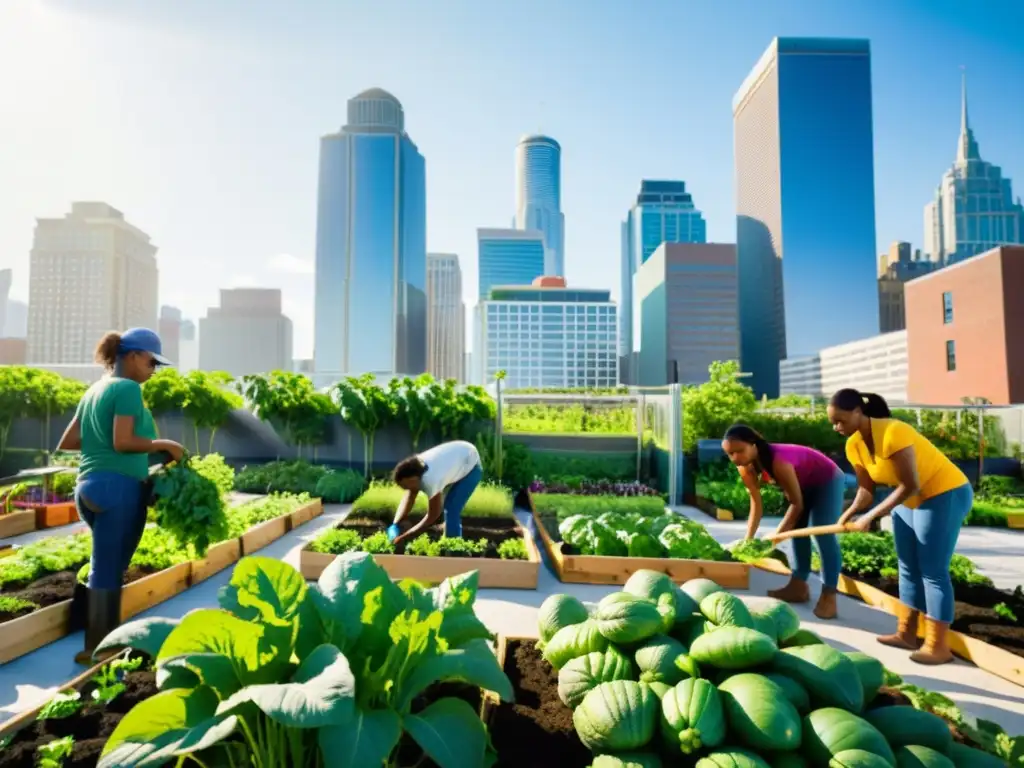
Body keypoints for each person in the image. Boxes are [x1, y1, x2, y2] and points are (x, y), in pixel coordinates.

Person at [56, 328, 185, 664]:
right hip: (118, 489)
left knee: (105, 565)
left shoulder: (95, 390)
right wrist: (164, 445)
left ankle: (98, 642)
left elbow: (69, 442)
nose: (153, 369)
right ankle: (99, 650)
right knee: (108, 569)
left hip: (88, 487)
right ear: (130, 356)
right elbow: (123, 442)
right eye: (151, 360)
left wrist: (119, 452)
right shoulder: (127, 388)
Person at [828, 388, 972, 665]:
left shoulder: (894, 432)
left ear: (858, 412)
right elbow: (866, 491)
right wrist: (848, 514)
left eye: (841, 420)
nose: (837, 427)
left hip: (943, 492)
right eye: (833, 422)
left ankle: (937, 645)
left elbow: (911, 484)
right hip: (908, 498)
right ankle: (906, 633)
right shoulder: (853, 445)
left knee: (932, 570)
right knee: (907, 566)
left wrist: (871, 517)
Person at [722, 424, 844, 619]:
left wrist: (775, 538)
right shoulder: (745, 468)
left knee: (821, 533)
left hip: (827, 480)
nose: (736, 458)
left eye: (739, 451)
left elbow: (796, 504)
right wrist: (749, 538)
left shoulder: (779, 461)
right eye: (730, 454)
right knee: (795, 528)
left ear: (754, 445)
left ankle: (829, 596)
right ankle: (798, 586)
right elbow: (756, 505)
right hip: (803, 482)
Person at [388, 439, 483, 551]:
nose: (404, 489)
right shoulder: (416, 469)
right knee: (449, 508)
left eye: (405, 486)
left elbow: (433, 515)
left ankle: (453, 549)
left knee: (451, 507)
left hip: (471, 463)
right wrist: (395, 524)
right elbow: (410, 497)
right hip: (458, 457)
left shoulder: (430, 479)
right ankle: (449, 541)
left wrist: (406, 537)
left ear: (413, 479)